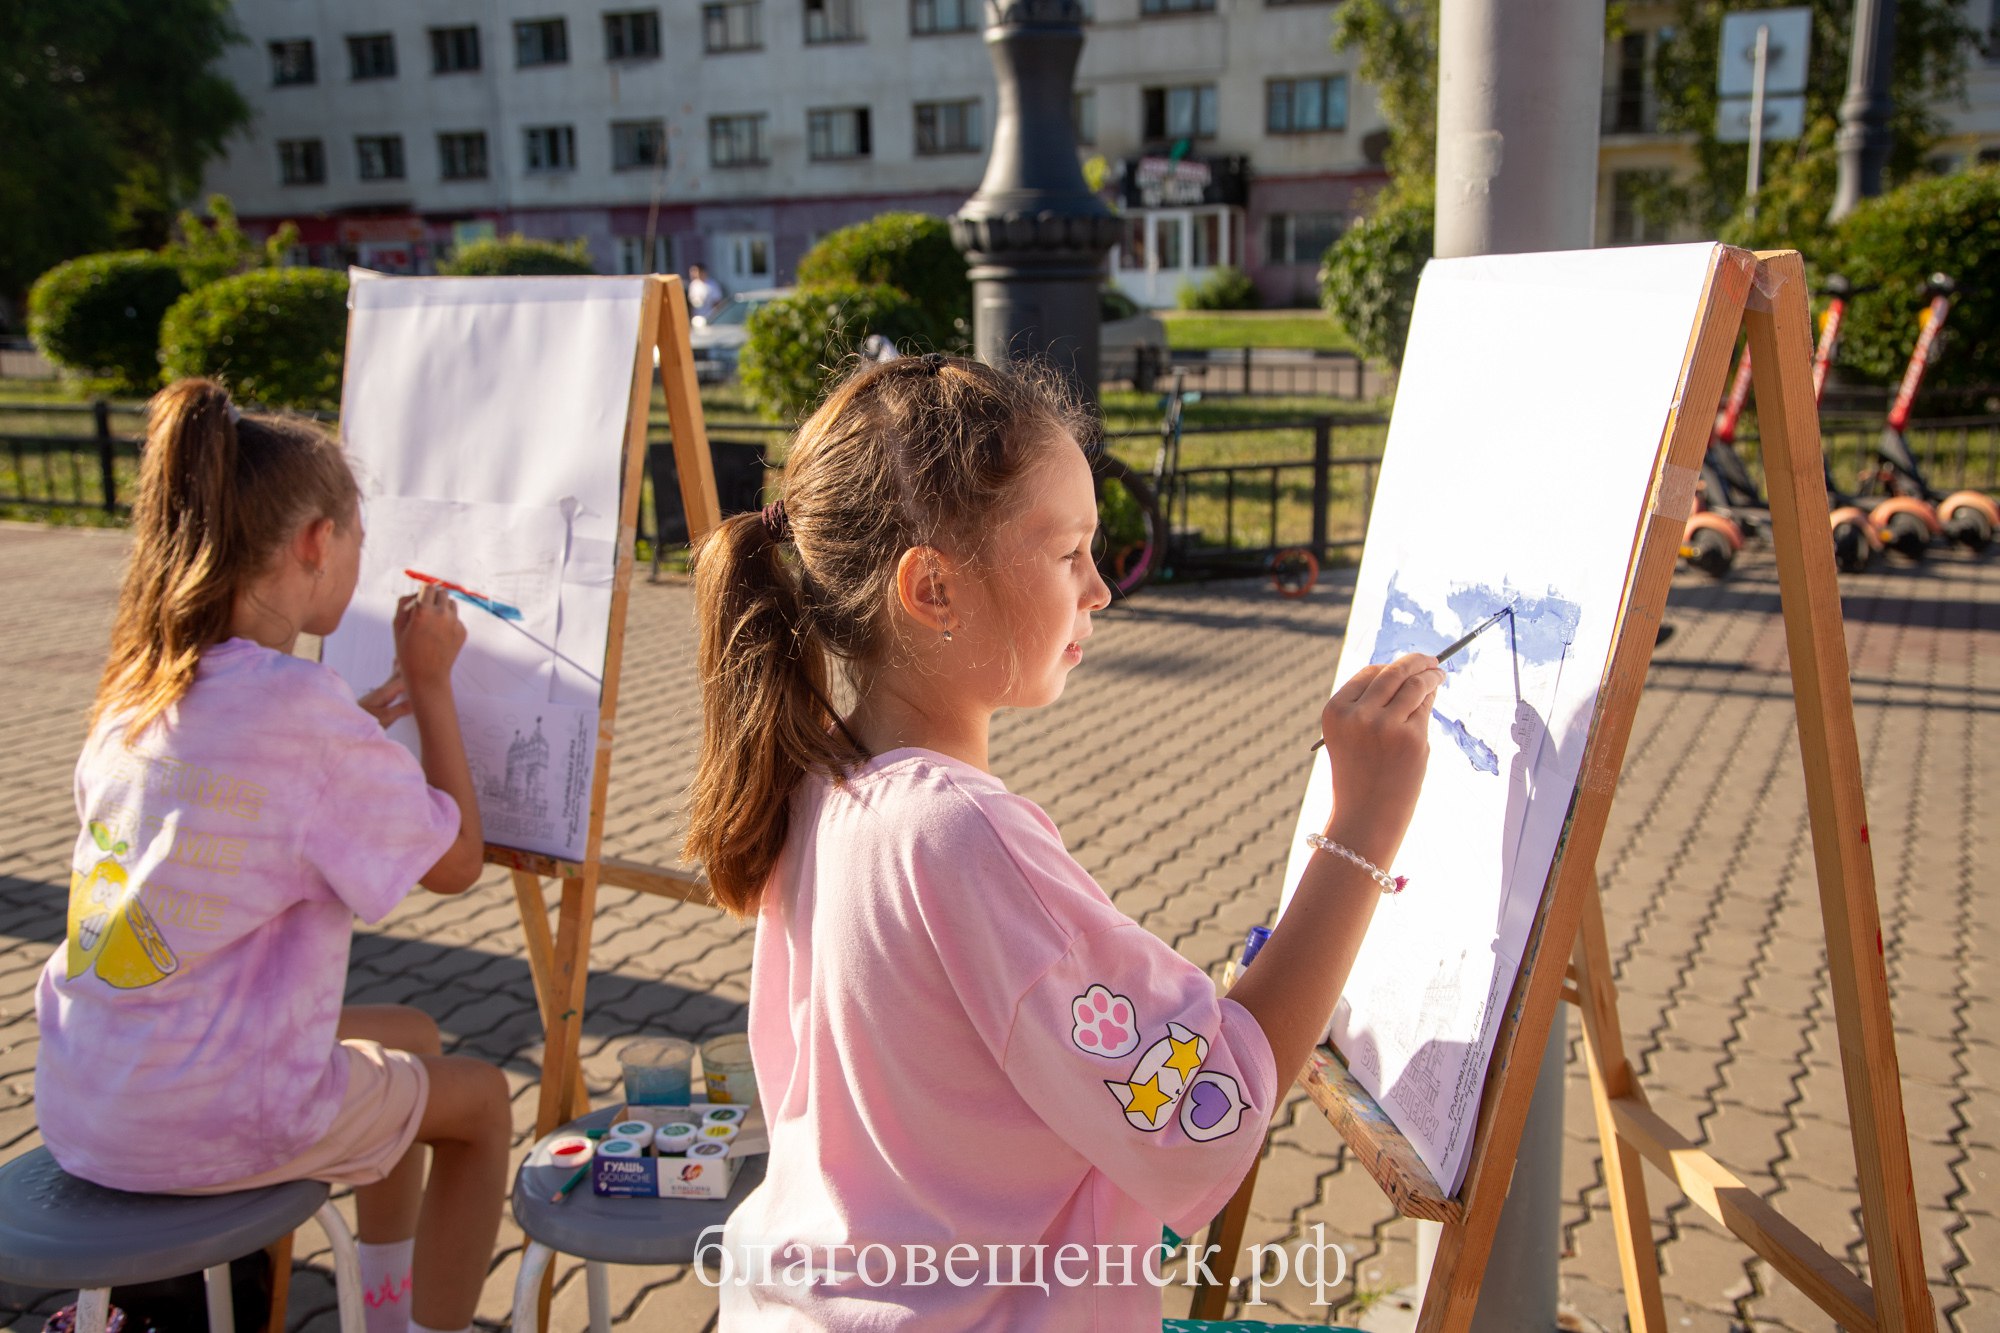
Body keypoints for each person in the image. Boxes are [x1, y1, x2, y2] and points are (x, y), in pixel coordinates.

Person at [683, 353, 1440, 1328]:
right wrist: (1363, 825)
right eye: (1067, 551)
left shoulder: (821, 781)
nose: (1099, 588)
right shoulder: (958, 834)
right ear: (933, 590)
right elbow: (1208, 1110)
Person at [34, 379, 511, 1333]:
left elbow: (248, 786)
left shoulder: (141, 684)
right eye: (360, 541)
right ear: (313, 544)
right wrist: (431, 685)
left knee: (411, 1031)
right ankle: (413, 1328)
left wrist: (359, 722)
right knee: (484, 1101)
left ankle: (381, 1303)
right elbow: (458, 860)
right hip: (211, 1115)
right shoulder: (301, 712)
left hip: (89, 1093)